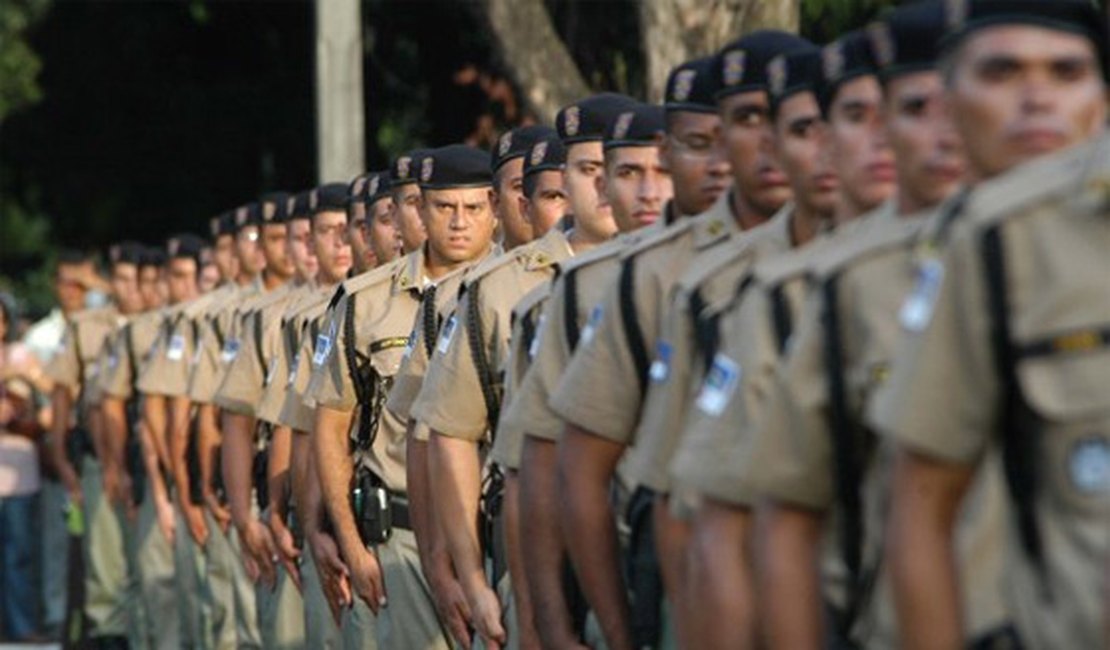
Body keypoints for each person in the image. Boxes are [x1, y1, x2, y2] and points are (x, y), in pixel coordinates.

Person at [864, 1, 1108, 648]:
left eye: (1065, 72)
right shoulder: (998, 245)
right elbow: (920, 505)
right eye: (1002, 73)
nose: (1036, 100)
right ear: (949, 102)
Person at [310, 144, 503, 650]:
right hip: (402, 538)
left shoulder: (518, 293)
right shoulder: (364, 302)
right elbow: (331, 425)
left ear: (495, 209)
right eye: (442, 207)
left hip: (497, 533)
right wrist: (351, 544)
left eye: (473, 209)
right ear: (415, 211)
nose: (459, 223)